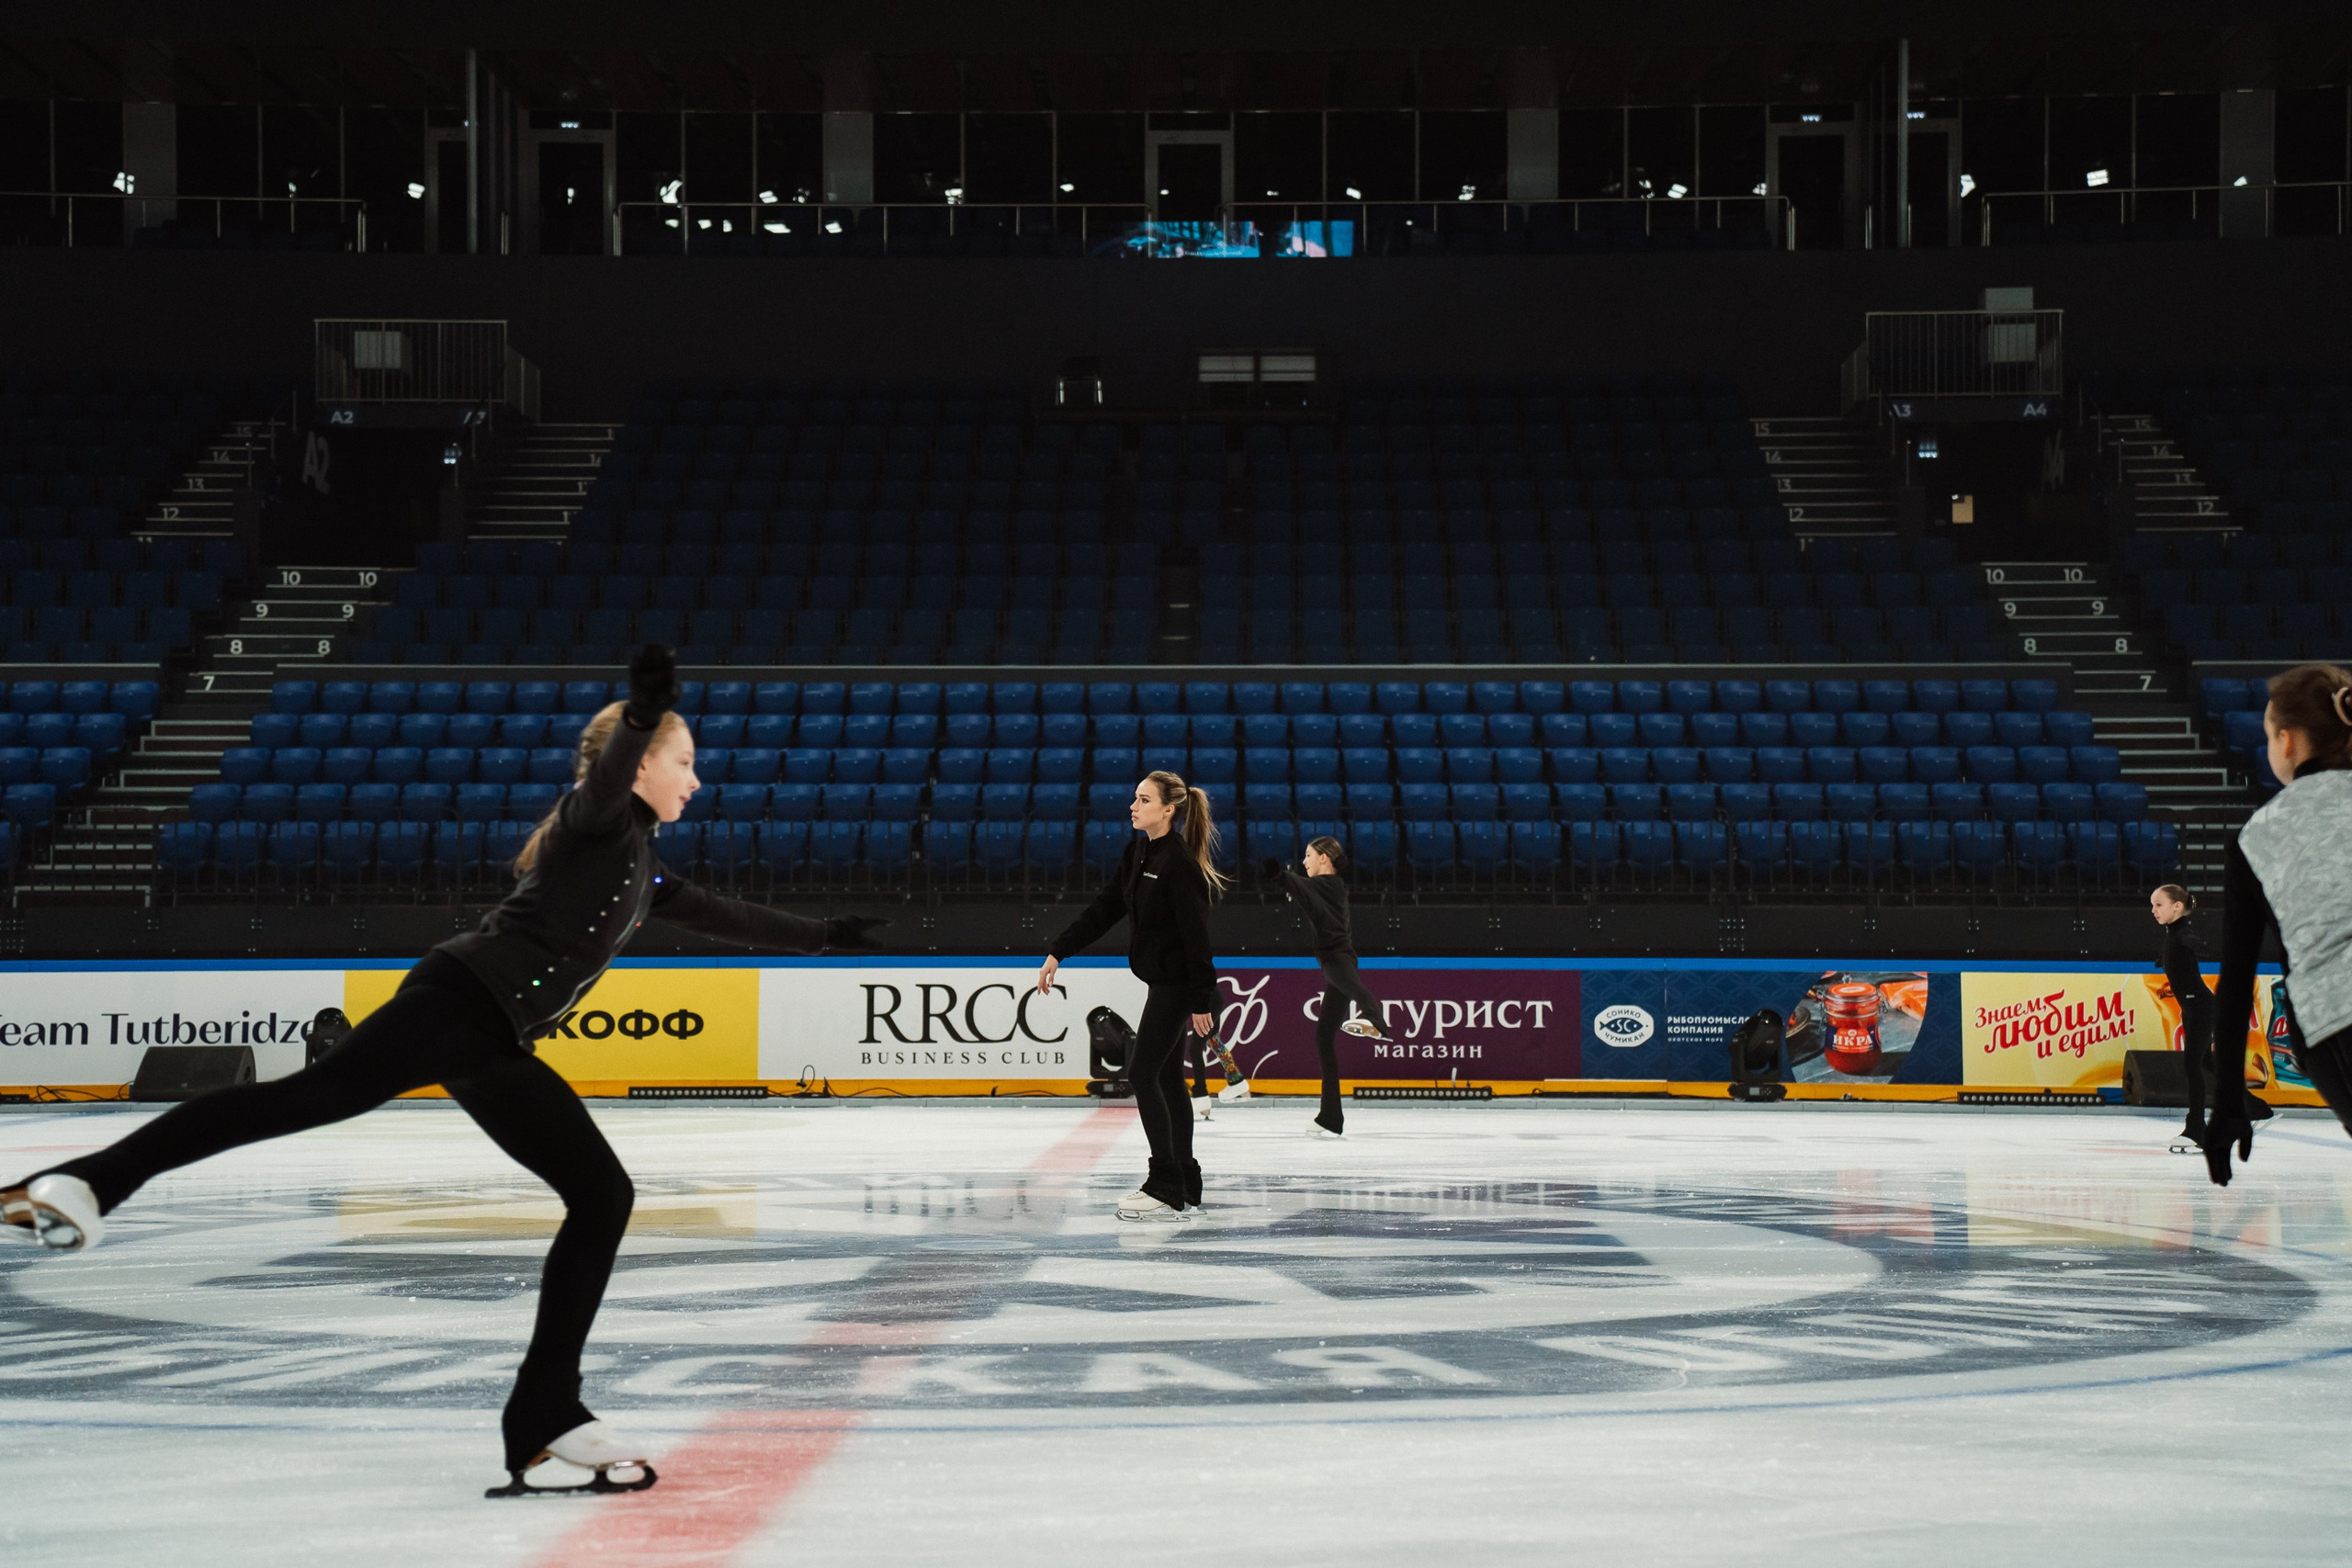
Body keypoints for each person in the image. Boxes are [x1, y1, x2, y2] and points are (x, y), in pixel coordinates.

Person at [2, 646, 888, 1495]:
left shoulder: (642, 864)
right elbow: (605, 782)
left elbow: (728, 915)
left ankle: (545, 1414)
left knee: (600, 1194)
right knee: (300, 1101)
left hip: (493, 1037)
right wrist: (640, 716)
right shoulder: (597, 822)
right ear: (643, 764)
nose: (695, 779)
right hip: (457, 1003)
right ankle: (86, 1180)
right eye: (683, 761)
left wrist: (826, 936)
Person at [1037, 771, 1223, 1221]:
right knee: (1167, 1078)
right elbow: (1105, 909)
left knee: (1142, 1073)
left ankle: (1164, 1184)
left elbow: (1197, 937)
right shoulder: (1138, 852)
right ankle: (1185, 1181)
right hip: (1163, 982)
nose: (1133, 807)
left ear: (1168, 809)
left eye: (1144, 800)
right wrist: (1059, 950)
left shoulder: (1179, 863)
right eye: (1135, 798)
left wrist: (1202, 999)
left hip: (1179, 985)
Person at [2204, 663, 2352, 1187]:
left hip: (2338, 1021)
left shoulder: (2258, 835)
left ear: (2287, 741)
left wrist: (2228, 1104)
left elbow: (2237, 982)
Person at [1267, 836, 1391, 1139]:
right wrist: (1284, 879)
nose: (1304, 861)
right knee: (1323, 1036)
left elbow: (1299, 886)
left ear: (1324, 858)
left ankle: (1376, 1021)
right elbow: (1304, 891)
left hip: (1337, 957)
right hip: (1336, 958)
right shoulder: (1328, 886)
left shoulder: (1328, 884)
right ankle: (1331, 1117)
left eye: (1308, 855)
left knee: (1354, 988)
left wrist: (1279, 875)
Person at [2152, 883, 2214, 1143]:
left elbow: (2190, 940)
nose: (2153, 910)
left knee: (2192, 1065)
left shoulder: (2183, 934)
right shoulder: (2173, 934)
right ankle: (2252, 1107)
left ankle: (2196, 1128)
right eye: (2152, 905)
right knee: (2207, 1063)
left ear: (2177, 907)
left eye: (2159, 905)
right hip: (2192, 1009)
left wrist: (2197, 946)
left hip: (2201, 1008)